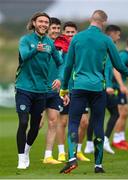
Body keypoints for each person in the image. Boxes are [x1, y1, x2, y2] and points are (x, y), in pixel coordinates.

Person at [59, 10, 128, 174]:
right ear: (104, 22)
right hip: (97, 88)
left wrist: (64, 88)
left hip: (79, 87)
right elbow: (118, 65)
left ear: (90, 20)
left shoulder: (77, 38)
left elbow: (68, 66)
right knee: (97, 123)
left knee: (73, 122)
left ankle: (72, 158)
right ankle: (98, 165)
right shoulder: (106, 40)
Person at [15, 12, 63, 169]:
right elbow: (24, 55)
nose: (43, 24)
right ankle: (21, 158)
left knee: (35, 127)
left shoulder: (50, 43)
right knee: (23, 122)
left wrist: (60, 78)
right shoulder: (25, 40)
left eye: (46, 22)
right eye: (40, 21)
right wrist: (36, 49)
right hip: (23, 88)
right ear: (34, 23)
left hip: (41, 90)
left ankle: (27, 150)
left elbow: (61, 63)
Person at [55, 22, 90, 162]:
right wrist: (63, 87)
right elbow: (60, 68)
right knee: (63, 121)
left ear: (76, 33)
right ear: (64, 33)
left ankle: (78, 151)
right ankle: (62, 152)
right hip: (65, 89)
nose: (70, 34)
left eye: (72, 32)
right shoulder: (59, 48)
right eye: (67, 32)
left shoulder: (81, 47)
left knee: (84, 122)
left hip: (81, 88)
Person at [84, 25, 121, 154]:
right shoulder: (107, 46)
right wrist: (109, 85)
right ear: (112, 34)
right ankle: (103, 140)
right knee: (114, 113)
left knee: (95, 116)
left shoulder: (99, 45)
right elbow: (108, 67)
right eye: (118, 34)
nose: (119, 37)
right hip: (103, 87)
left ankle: (89, 144)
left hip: (95, 85)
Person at [40, 17, 63, 164]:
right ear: (48, 29)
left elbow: (63, 67)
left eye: (57, 28)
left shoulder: (61, 48)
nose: (55, 30)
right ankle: (24, 150)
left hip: (54, 90)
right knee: (38, 123)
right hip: (39, 89)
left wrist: (63, 86)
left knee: (53, 122)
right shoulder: (41, 45)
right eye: (53, 28)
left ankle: (48, 156)